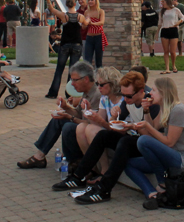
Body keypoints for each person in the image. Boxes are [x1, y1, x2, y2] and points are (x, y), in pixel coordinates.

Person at [52, 71, 160, 204]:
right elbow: (114, 126)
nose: (125, 100)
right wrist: (114, 117)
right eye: (123, 95)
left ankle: (104, 189)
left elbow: (150, 137)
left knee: (125, 142)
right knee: (103, 135)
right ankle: (78, 176)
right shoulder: (127, 101)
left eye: (129, 96)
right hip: (134, 137)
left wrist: (131, 126)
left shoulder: (151, 104)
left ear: (141, 91)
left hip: (148, 144)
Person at [125, 76, 184, 210]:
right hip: (173, 155)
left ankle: (162, 183)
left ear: (163, 92)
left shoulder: (179, 110)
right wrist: (146, 111)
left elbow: (169, 142)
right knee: (128, 164)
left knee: (143, 140)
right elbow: (153, 129)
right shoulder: (164, 108)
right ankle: (152, 194)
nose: (150, 93)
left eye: (154, 90)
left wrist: (147, 127)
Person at [17, 61, 101, 169]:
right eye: (71, 80)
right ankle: (39, 156)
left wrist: (69, 117)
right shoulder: (85, 92)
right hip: (82, 128)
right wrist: (66, 107)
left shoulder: (97, 95)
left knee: (68, 126)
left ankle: (74, 160)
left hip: (88, 134)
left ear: (85, 79)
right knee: (58, 119)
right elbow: (79, 114)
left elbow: (90, 123)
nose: (72, 84)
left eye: (75, 80)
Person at [75, 67, 124, 178]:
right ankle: (91, 168)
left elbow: (114, 127)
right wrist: (88, 110)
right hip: (109, 131)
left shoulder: (122, 101)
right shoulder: (104, 98)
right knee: (81, 127)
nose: (98, 87)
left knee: (91, 130)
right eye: (97, 84)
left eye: (101, 84)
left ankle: (104, 169)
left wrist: (99, 120)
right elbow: (99, 121)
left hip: (121, 134)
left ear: (112, 84)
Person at [45, 0, 89, 99]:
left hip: (65, 44)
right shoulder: (80, 17)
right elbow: (86, 24)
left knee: (59, 69)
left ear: (66, 4)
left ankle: (53, 93)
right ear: (75, 4)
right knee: (72, 71)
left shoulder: (64, 16)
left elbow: (51, 9)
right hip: (77, 45)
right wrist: (87, 18)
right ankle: (70, 93)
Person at [158, 0, 184, 74]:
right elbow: (160, 23)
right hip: (164, 30)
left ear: (168, 2)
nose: (162, 3)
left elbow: (182, 17)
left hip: (173, 30)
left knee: (172, 51)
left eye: (163, 2)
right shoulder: (162, 11)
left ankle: (173, 65)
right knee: (166, 51)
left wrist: (178, 22)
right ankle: (167, 68)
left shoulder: (175, 10)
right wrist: (157, 33)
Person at [84, 0, 108, 68]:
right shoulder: (86, 12)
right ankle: (88, 76)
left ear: (96, 1)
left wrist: (92, 23)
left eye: (92, 0)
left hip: (98, 36)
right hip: (89, 37)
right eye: (89, 0)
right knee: (87, 60)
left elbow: (102, 22)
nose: (90, 2)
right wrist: (84, 23)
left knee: (98, 60)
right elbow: (84, 26)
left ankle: (99, 77)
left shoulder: (100, 11)